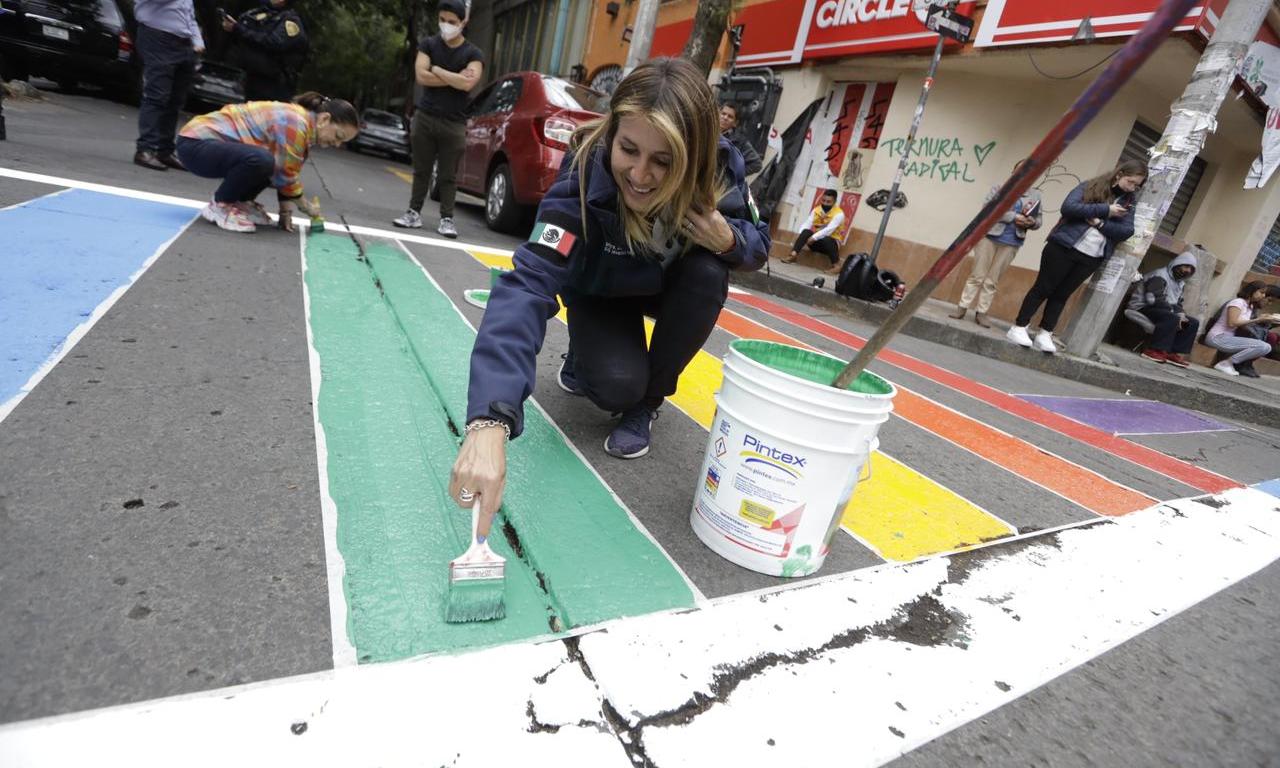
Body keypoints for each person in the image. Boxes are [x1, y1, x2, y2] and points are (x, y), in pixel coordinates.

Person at [448, 58, 770, 536]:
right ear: (613, 132)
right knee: (614, 385)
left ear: (697, 155)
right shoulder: (583, 174)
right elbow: (529, 280)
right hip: (602, 290)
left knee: (708, 272)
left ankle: (648, 402)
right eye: (629, 150)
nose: (640, 175)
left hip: (666, 287)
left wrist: (729, 240)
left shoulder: (720, 170)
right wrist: (487, 422)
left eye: (664, 161)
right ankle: (585, 356)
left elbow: (758, 244)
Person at [1006, 159, 1147, 354]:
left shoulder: (1129, 202)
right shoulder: (1091, 186)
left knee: (1062, 294)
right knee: (1044, 287)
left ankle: (1045, 332)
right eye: (1131, 182)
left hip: (1093, 255)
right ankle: (1019, 327)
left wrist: (1100, 224)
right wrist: (1107, 210)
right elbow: (1069, 208)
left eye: (1137, 185)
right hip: (1063, 245)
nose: (1132, 188)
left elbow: (1127, 231)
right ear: (1119, 174)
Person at [175, 92, 358, 232]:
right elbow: (286, 174)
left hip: (204, 146)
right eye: (338, 136)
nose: (337, 143)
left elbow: (285, 170)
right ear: (324, 119)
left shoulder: (302, 126)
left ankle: (241, 202)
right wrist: (307, 208)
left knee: (270, 161)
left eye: (342, 142)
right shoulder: (296, 123)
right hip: (195, 144)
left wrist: (285, 212)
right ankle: (220, 205)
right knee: (262, 160)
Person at [393, 0, 483, 239]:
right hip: (425, 117)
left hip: (454, 123)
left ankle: (447, 219)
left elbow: (467, 83)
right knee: (421, 170)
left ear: (463, 22)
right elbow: (421, 76)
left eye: (452, 22)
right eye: (442, 20)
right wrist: (454, 77)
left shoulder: (473, 53)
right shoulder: (428, 44)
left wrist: (438, 70)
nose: (446, 25)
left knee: (448, 176)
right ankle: (413, 213)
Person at [949, 161, 1042, 328]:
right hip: (989, 237)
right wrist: (1014, 217)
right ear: (1014, 171)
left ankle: (981, 312)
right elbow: (989, 210)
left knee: (992, 280)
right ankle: (962, 307)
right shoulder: (999, 188)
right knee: (977, 275)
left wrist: (1031, 222)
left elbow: (1039, 220)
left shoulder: (1035, 195)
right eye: (1021, 169)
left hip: (1013, 241)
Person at [132, 0, 205, 171]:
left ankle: (164, 151)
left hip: (183, 43)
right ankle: (145, 149)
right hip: (157, 36)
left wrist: (197, 39)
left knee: (175, 100)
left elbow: (188, 14)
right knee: (157, 95)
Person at [222, 0, 309, 102]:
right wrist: (235, 28)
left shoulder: (291, 21)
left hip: (273, 84)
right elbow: (247, 39)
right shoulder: (260, 14)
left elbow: (273, 42)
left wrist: (238, 29)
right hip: (251, 78)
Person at [1127, 251, 1199, 367]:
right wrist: (1173, 312)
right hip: (1143, 306)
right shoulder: (1159, 275)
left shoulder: (1180, 283)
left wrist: (1181, 314)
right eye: (1186, 266)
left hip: (1163, 308)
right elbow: (1153, 299)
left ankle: (1172, 352)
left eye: (1191, 269)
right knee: (1171, 317)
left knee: (1192, 322)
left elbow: (1178, 303)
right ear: (1177, 264)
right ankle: (1154, 350)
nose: (1188, 271)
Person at [1204, 281, 1278, 377]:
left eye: (1264, 293)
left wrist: (1265, 320)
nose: (1263, 296)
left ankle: (1229, 362)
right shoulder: (1238, 302)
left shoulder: (1249, 307)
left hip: (1229, 338)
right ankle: (1226, 364)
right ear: (1252, 291)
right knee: (1263, 346)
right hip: (1217, 337)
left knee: (1266, 347)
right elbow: (1231, 323)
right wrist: (1258, 319)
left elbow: (1244, 325)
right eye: (1261, 292)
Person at [782, 189, 844, 275]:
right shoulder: (816, 210)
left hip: (831, 246)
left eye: (828, 202)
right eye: (823, 200)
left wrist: (814, 237)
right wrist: (801, 235)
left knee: (827, 239)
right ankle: (793, 255)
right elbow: (807, 223)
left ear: (834, 202)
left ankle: (836, 266)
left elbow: (828, 230)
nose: (825, 203)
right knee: (806, 231)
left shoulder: (839, 214)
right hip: (816, 243)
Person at [718, 102, 762, 176]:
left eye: (730, 117)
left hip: (717, 184)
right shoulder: (708, 132)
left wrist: (731, 176)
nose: (725, 118)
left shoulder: (739, 141)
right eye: (723, 114)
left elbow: (757, 164)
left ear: (735, 123)